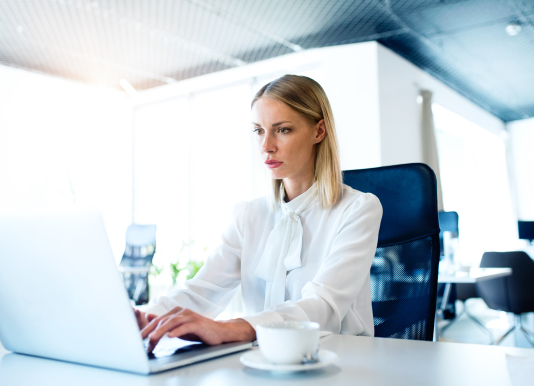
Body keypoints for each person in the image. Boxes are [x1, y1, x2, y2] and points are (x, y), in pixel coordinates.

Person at [135, 74, 382, 352]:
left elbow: (323, 306)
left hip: (340, 362)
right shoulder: (249, 215)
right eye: (258, 130)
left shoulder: (358, 209)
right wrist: (146, 317)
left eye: (283, 130)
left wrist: (230, 328)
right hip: (264, 360)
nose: (266, 145)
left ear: (319, 131)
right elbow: (202, 290)